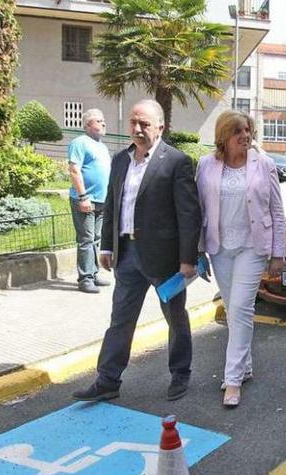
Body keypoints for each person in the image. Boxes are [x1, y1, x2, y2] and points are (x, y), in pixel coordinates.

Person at [72, 99, 202, 403]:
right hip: (127, 255)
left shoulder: (176, 161)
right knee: (120, 319)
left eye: (144, 123)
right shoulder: (120, 161)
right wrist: (106, 245)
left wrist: (187, 258)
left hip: (165, 260)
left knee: (175, 318)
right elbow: (113, 204)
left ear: (160, 126)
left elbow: (188, 214)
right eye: (133, 122)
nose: (138, 128)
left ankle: (180, 373)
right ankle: (108, 380)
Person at [196, 110, 286, 407]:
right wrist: (197, 250)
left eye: (248, 130)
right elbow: (199, 210)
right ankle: (245, 366)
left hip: (252, 247)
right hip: (220, 248)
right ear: (224, 137)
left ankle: (232, 379)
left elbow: (276, 211)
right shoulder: (206, 166)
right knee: (235, 312)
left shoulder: (265, 164)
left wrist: (278, 252)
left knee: (239, 307)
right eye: (238, 132)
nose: (245, 136)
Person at [67, 109, 111, 293]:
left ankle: (93, 273)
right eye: (98, 121)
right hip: (86, 200)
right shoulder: (79, 143)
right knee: (86, 239)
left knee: (96, 238)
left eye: (103, 120)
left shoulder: (101, 146)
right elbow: (74, 170)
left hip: (101, 200)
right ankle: (85, 279)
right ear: (87, 125)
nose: (103, 124)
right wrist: (83, 196)